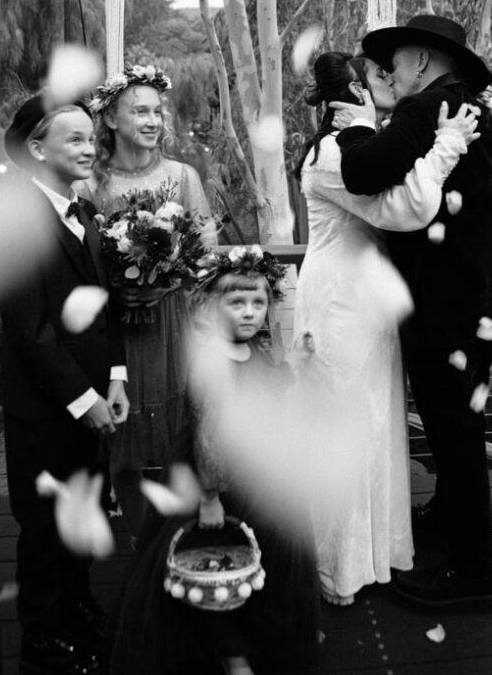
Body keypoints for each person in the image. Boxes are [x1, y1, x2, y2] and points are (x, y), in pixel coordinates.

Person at [332, 15, 492, 612]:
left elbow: (359, 172)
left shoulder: (429, 108)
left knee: (455, 435)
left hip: (443, 306)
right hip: (489, 300)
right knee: (462, 423)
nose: (389, 74)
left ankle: (473, 576)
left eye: (394, 62)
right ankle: (449, 516)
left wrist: (361, 129)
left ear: (422, 62)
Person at [292, 50, 480, 606]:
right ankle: (336, 568)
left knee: (376, 425)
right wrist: (447, 144)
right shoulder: (333, 153)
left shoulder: (361, 147)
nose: (382, 88)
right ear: (350, 97)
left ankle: (378, 553)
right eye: (371, 83)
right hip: (339, 304)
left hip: (369, 305)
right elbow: (402, 209)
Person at [109, 247, 320, 675]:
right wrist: (209, 495)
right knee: (216, 563)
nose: (248, 313)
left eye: (258, 303)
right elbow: (208, 433)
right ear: (211, 305)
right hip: (213, 480)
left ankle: (262, 635)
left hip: (252, 474)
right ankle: (229, 650)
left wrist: (292, 363)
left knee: (257, 560)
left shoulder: (251, 350)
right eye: (236, 302)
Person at [0, 96, 128, 675]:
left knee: (83, 512)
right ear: (35, 149)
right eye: (73, 139)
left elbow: (106, 308)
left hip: (97, 398)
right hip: (47, 409)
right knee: (47, 528)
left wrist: (117, 378)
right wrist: (84, 399)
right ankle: (43, 637)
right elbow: (31, 331)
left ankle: (81, 609)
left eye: (89, 137)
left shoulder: (89, 212)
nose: (88, 148)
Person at [79, 65, 216, 537]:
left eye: (158, 111)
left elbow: (207, 254)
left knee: (184, 435)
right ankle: (142, 544)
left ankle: (182, 539)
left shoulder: (182, 176)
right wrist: (120, 287)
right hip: (118, 332)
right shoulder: (90, 186)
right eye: (140, 110)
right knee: (125, 442)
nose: (154, 119)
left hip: (175, 323)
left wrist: (171, 277)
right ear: (111, 119)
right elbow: (80, 265)